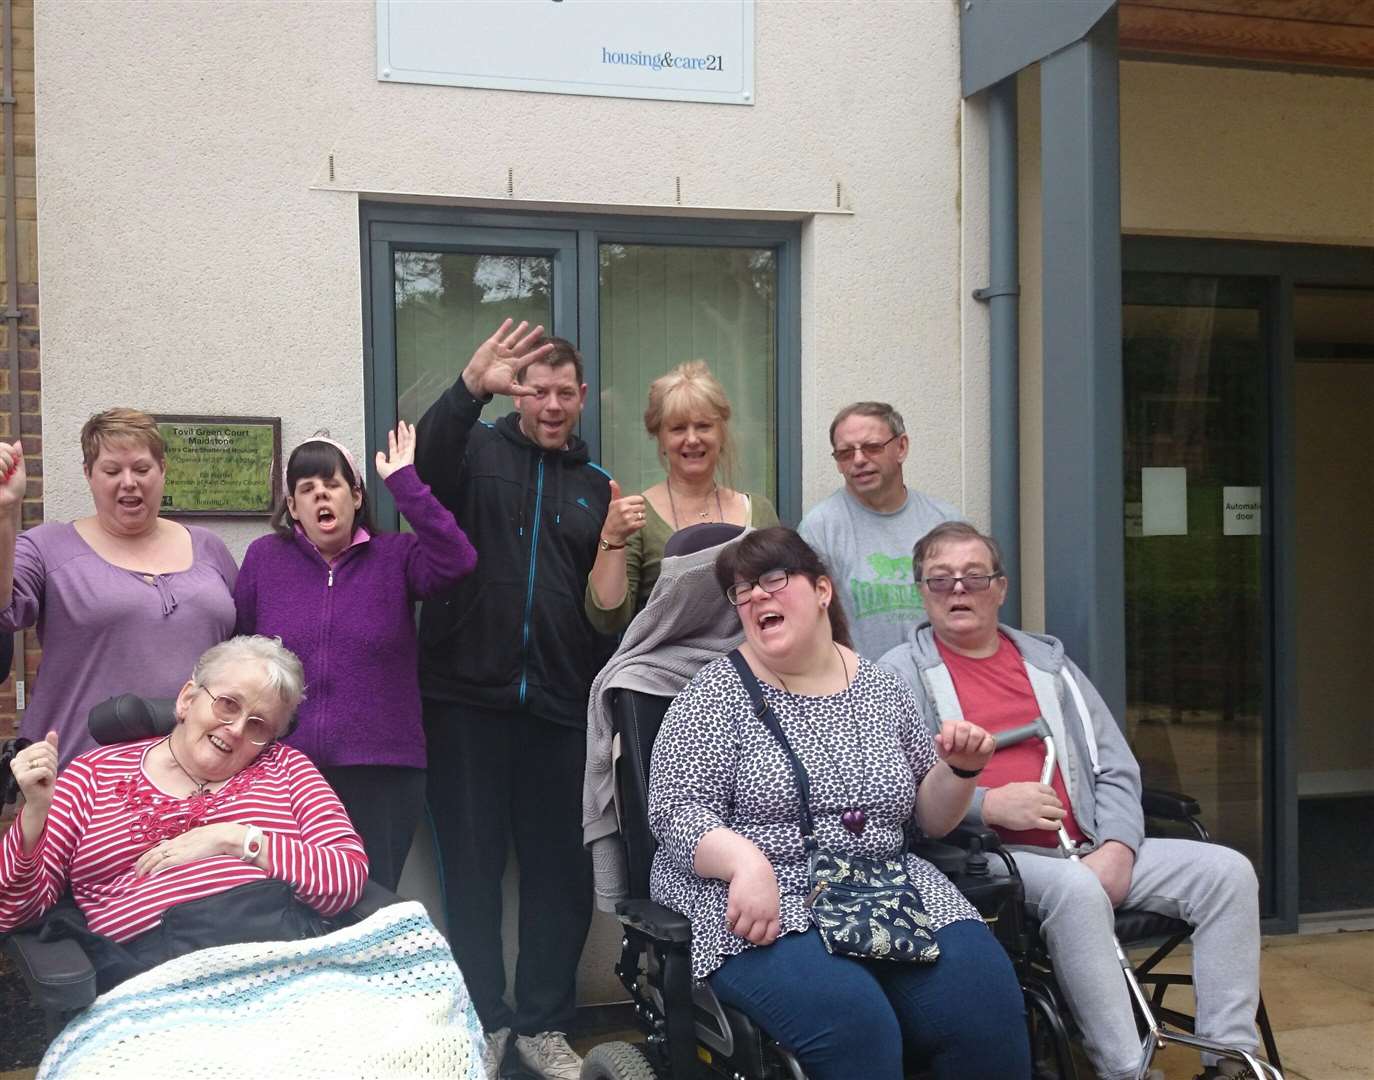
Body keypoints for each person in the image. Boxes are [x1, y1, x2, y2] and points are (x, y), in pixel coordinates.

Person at [879, 522, 1262, 1080]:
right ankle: (1126, 1069)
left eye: (973, 577)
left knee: (1226, 872)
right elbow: (902, 793)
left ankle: (1228, 1057)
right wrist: (989, 805)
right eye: (940, 580)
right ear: (922, 592)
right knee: (1078, 889)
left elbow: (1117, 767)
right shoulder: (898, 676)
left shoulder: (1050, 667)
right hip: (992, 861)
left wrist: (1118, 847)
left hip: (1087, 843)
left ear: (1000, 588)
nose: (957, 590)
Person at [648, 526, 1030, 1080]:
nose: (756, 596)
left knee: (986, 1009)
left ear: (822, 590)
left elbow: (928, 818)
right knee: (855, 1025)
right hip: (763, 896)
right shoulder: (714, 696)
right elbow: (676, 814)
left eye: (773, 579)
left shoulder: (881, 687)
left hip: (887, 884)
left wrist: (961, 771)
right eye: (742, 589)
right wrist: (744, 862)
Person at [415, 320, 614, 1080]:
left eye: (566, 391)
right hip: (465, 698)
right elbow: (422, 471)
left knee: (557, 876)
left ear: (583, 397)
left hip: (561, 706)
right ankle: (487, 1021)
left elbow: (605, 602)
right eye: (538, 388)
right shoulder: (473, 451)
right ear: (519, 392)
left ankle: (543, 1027)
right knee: (469, 870)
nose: (552, 403)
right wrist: (469, 388)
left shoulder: (598, 488)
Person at [0, 635, 369, 980]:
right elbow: (12, 911)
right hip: (152, 978)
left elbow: (346, 877)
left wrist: (237, 840)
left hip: (285, 959)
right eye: (228, 704)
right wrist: (34, 816)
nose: (237, 729)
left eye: (259, 725)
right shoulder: (91, 775)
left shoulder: (287, 768)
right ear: (187, 699)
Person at [233, 422, 477, 891]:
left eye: (333, 485)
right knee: (286, 896)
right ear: (293, 507)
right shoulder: (265, 559)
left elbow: (458, 560)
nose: (322, 497)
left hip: (382, 770)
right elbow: (239, 647)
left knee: (370, 897)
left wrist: (405, 482)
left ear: (357, 496)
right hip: (284, 766)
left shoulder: (396, 556)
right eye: (307, 489)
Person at [0, 409, 238, 766]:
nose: (129, 482)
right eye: (112, 471)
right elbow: (5, 610)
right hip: (81, 772)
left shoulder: (210, 549)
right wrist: (6, 513)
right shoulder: (48, 547)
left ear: (163, 470)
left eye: (142, 469)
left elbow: (243, 652)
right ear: (88, 475)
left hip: (198, 772)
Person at [585, 361, 777, 633]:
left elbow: (785, 600)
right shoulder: (638, 516)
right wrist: (612, 539)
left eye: (703, 426)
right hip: (667, 673)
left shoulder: (759, 511)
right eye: (677, 429)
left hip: (749, 668)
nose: (692, 439)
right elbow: (608, 619)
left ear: (721, 432)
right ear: (660, 437)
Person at [798, 401, 960, 662]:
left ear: (902, 447)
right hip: (858, 689)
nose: (859, 460)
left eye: (872, 448)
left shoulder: (945, 523)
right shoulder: (819, 529)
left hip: (939, 680)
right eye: (846, 453)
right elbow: (806, 621)